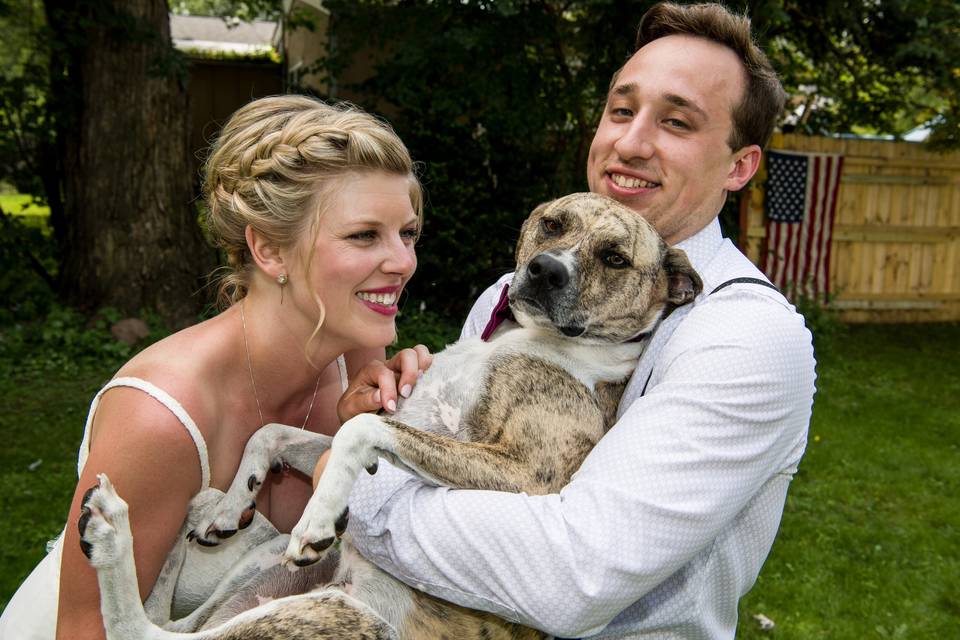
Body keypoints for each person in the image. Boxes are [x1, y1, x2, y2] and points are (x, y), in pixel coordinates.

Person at [334, 3, 816, 638]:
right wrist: (389, 416)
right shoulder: (521, 290)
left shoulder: (747, 338)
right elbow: (471, 461)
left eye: (675, 122)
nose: (630, 143)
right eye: (621, 111)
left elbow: (571, 575)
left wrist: (351, 489)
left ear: (739, 166)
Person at [0, 95, 430, 640]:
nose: (402, 261)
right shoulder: (161, 416)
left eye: (407, 233)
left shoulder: (353, 356)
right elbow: (85, 630)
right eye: (364, 235)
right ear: (270, 249)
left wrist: (374, 431)